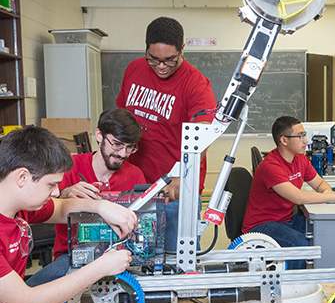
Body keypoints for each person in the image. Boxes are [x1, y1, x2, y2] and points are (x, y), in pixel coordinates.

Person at [0, 126, 136, 303]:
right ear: (22, 177)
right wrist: (101, 267)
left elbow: (61, 208)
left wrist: (102, 207)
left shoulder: (16, 206)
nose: (56, 192)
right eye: (51, 184)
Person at [116, 16, 217, 250]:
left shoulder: (197, 85)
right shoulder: (134, 69)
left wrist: (181, 177)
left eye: (170, 60)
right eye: (154, 59)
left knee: (176, 260)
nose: (161, 66)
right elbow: (122, 119)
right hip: (134, 186)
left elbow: (201, 139)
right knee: (134, 259)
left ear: (182, 49)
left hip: (175, 190)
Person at [25, 108, 146, 289]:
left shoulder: (135, 175)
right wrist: (64, 192)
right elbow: (39, 206)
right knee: (35, 292)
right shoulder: (70, 168)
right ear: (99, 135)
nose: (123, 153)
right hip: (71, 256)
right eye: (117, 144)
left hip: (120, 255)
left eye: (129, 147)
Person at [242, 116, 335, 269]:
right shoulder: (271, 166)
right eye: (300, 136)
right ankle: (292, 289)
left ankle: (324, 281)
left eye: (305, 135)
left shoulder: (301, 159)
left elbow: (319, 183)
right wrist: (330, 196)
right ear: (284, 140)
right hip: (261, 225)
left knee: (325, 231)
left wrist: (326, 192)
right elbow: (297, 197)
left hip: (286, 219)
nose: (306, 140)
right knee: (299, 244)